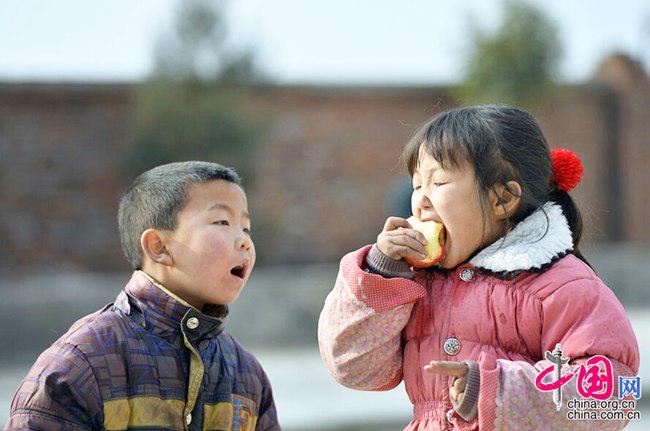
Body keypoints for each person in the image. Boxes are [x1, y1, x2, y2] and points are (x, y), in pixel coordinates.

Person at [318, 105, 639, 430]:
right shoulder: (417, 285)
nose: (421, 202)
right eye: (417, 185)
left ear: (503, 198)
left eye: (438, 182)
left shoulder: (561, 286)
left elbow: (614, 396)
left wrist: (495, 391)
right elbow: (354, 367)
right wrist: (382, 274)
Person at [5, 161, 280, 430]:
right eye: (222, 221)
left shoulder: (245, 373)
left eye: (246, 228)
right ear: (158, 247)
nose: (244, 240)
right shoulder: (82, 365)